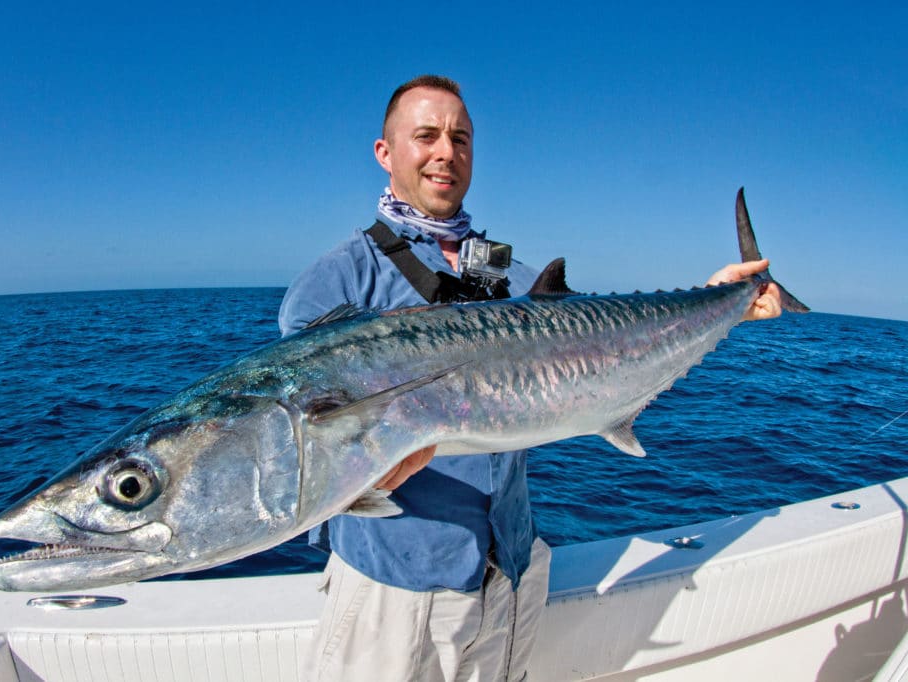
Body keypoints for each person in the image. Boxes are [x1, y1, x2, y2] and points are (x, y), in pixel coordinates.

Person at [278, 75, 781, 682]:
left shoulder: (514, 276)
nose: (446, 152)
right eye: (427, 136)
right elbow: (308, 444)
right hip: (396, 589)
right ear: (385, 153)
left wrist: (722, 299)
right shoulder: (337, 283)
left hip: (511, 574)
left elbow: (610, 346)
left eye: (460, 139)